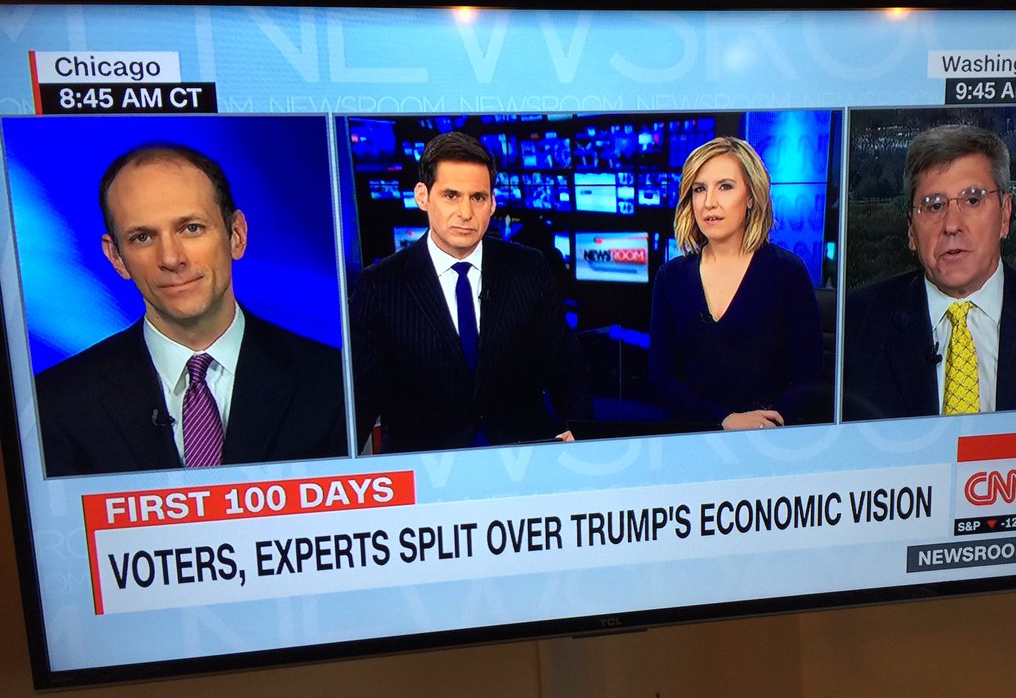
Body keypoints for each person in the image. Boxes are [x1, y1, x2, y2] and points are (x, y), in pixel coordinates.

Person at [35, 144, 348, 477]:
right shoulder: (55, 402)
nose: (171, 258)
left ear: (236, 235)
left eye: (191, 228)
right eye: (142, 237)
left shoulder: (333, 382)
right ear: (116, 257)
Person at [349, 131, 592, 453]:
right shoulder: (379, 285)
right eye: (451, 196)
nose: (466, 213)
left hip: (522, 454)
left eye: (477, 198)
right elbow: (361, 396)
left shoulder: (529, 267)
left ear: (492, 203)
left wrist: (583, 439)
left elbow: (564, 365)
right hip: (425, 462)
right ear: (423, 196)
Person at [842, 124, 1016, 421]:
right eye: (933, 205)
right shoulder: (855, 325)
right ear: (911, 231)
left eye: (972, 200)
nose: (952, 225)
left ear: (1005, 214)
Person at [649, 137, 825, 430]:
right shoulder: (671, 276)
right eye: (699, 189)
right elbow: (662, 379)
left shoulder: (787, 272)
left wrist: (765, 424)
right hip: (691, 437)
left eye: (725, 186)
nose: (709, 202)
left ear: (751, 196)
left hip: (768, 439)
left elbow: (810, 378)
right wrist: (723, 420)